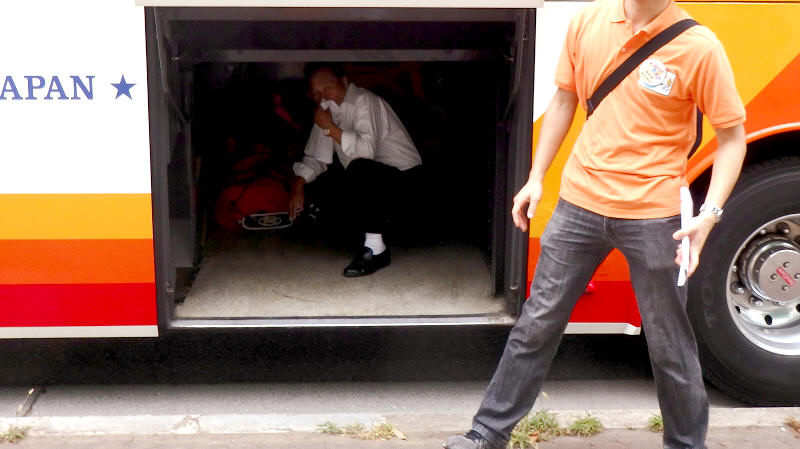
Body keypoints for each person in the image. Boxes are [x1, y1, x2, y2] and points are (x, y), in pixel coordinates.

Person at [444, 0, 746, 448]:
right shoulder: (587, 21)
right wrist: (535, 177)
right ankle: (487, 432)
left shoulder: (699, 47)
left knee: (668, 343)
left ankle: (686, 444)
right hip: (578, 204)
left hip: (655, 214)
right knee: (536, 323)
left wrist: (710, 214)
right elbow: (564, 100)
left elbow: (732, 138)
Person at [289, 63, 422, 277]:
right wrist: (298, 187)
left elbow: (364, 151)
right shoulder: (326, 111)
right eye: (316, 93)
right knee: (318, 189)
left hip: (406, 183)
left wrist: (329, 127)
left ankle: (375, 250)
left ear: (344, 81)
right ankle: (369, 230)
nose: (322, 97)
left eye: (327, 88)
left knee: (360, 168)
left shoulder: (365, 101)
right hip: (373, 186)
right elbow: (316, 158)